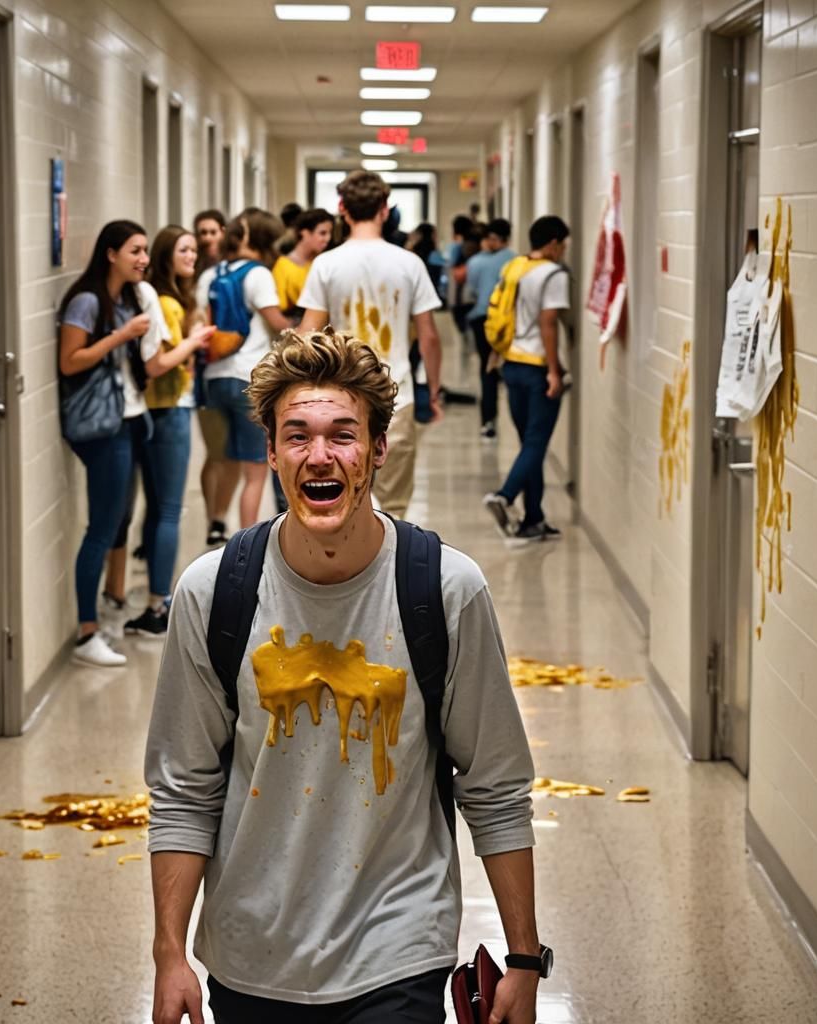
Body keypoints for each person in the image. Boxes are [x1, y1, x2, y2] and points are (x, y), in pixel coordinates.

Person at [146, 328, 541, 1024]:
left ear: (378, 450)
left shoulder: (446, 591)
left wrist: (525, 958)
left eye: (342, 434)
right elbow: (184, 788)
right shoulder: (214, 593)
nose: (319, 455)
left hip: (398, 946)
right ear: (268, 452)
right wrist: (170, 953)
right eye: (296, 435)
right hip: (251, 952)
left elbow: (496, 785)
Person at [58, 220, 186, 666]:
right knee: (102, 529)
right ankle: (86, 634)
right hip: (103, 429)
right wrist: (121, 335)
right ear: (110, 253)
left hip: (131, 419)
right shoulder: (87, 300)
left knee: (116, 524)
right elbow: (70, 361)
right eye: (135, 250)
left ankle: (103, 617)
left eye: (146, 251)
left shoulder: (130, 297)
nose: (144, 259)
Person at [298, 170, 443, 519]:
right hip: (398, 395)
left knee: (345, 495)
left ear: (341, 209)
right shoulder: (409, 263)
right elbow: (429, 337)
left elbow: (306, 335)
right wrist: (433, 391)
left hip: (341, 396)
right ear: (384, 208)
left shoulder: (326, 264)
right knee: (392, 505)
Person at [117, 225, 216, 637]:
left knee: (160, 507)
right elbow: (158, 362)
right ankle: (159, 604)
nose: (192, 256)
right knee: (169, 509)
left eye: (195, 249)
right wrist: (193, 342)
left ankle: (158, 597)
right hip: (167, 409)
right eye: (184, 250)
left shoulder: (170, 298)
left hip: (161, 410)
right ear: (165, 256)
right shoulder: (165, 303)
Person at [197, 208, 290, 529]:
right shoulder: (258, 274)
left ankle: (215, 522)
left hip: (213, 379)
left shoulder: (209, 275)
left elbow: (200, 322)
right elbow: (276, 323)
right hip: (248, 378)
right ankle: (248, 539)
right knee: (255, 471)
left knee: (223, 458)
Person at [482, 215, 570, 544]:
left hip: (511, 364)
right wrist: (553, 370)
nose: (563, 251)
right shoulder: (552, 274)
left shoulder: (515, 267)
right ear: (552, 243)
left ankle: (534, 518)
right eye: (562, 245)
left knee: (528, 444)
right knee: (536, 442)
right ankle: (504, 497)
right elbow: (548, 323)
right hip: (536, 367)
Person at [193, 209, 240, 546]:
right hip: (205, 372)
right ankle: (213, 517)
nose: (208, 238)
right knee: (216, 452)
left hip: (229, 366)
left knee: (231, 453)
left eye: (213, 231)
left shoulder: (230, 273)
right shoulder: (196, 275)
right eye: (202, 233)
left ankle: (220, 518)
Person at [466, 217, 516, 440]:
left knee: (487, 370)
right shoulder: (515, 261)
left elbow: (473, 289)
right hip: (506, 322)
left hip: (481, 320)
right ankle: (508, 419)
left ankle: (488, 420)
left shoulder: (475, 262)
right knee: (504, 369)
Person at [272, 208, 335, 320]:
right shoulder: (284, 265)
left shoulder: (325, 263)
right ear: (305, 233)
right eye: (322, 233)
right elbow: (279, 307)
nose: (327, 239)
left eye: (330, 233)